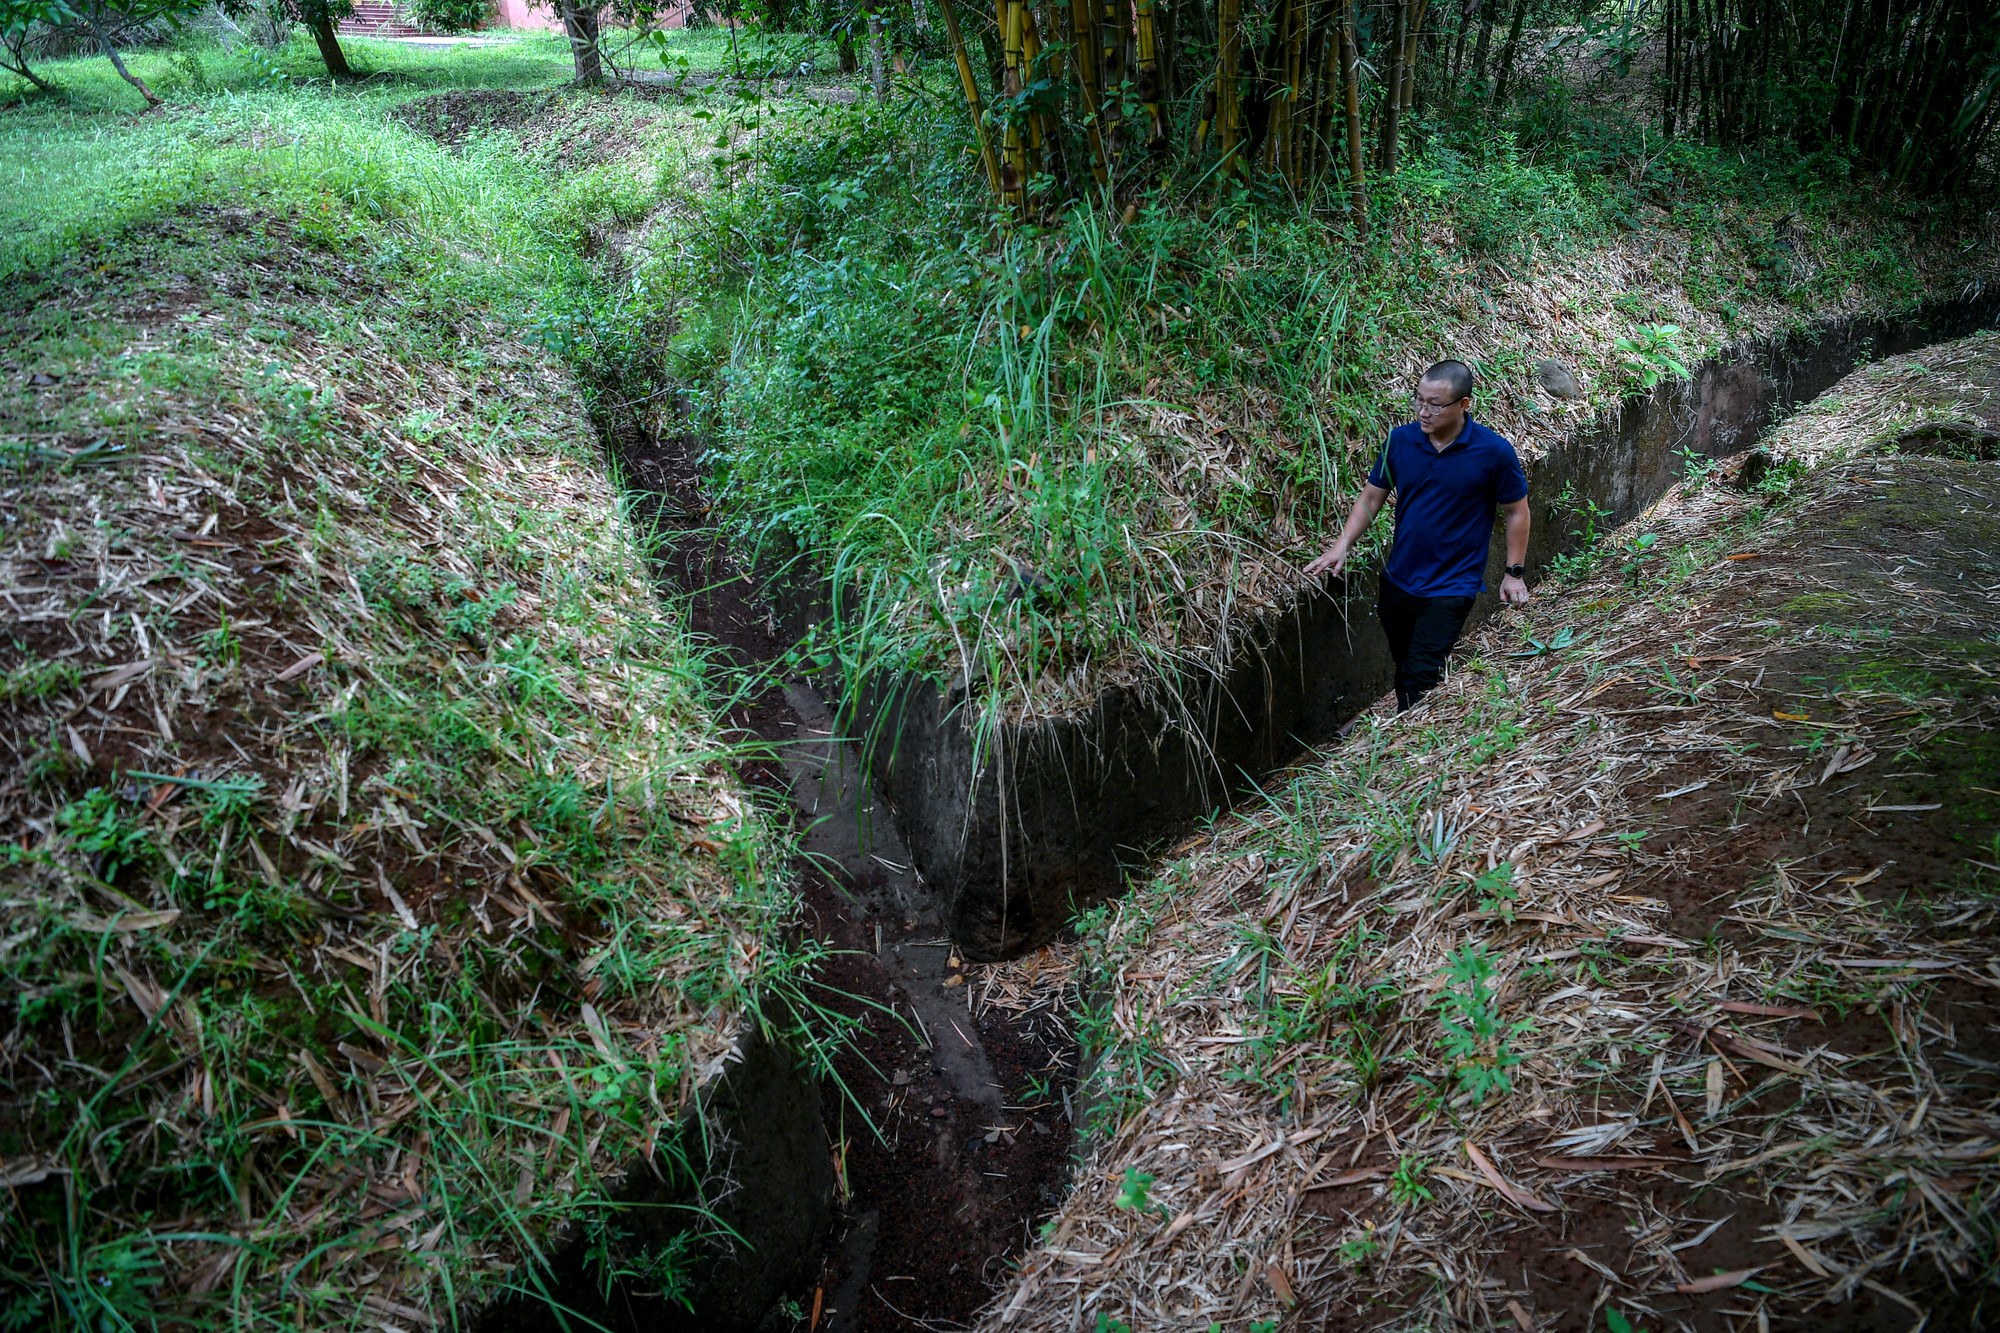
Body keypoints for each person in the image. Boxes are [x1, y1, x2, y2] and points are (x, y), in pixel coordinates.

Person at [1304, 360, 1531, 711]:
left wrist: (1513, 573)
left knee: (1420, 677)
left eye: (1435, 404)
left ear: (1463, 405)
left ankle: (1412, 752)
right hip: (1399, 579)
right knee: (1406, 667)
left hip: (1452, 585)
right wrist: (1341, 546)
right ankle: (1414, 735)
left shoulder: (1493, 452)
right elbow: (1371, 496)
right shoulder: (1400, 441)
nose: (1423, 411)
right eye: (1419, 400)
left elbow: (1517, 510)